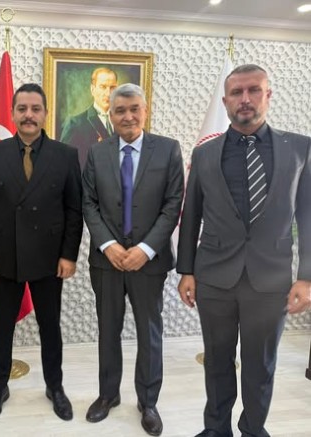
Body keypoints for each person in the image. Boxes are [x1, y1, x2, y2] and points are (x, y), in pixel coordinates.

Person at [177, 64, 311, 437]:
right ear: (225, 101)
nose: (245, 99)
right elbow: (191, 215)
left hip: (270, 281)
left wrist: (307, 277)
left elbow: (309, 215)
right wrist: (186, 270)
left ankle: (253, 430)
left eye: (254, 90)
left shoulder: (300, 148)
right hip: (214, 279)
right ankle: (216, 430)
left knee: (260, 365)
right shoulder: (205, 154)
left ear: (268, 95)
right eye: (237, 92)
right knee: (217, 362)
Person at [0, 83, 83, 422]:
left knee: (50, 326)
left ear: (45, 114)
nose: (29, 115)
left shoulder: (65, 155)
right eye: (22, 109)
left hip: (49, 258)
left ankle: (55, 386)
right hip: (5, 255)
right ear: (13, 113)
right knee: (2, 326)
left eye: (35, 109)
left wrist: (69, 255)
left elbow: (74, 209)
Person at [82, 83, 184, 436]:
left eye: (134, 109)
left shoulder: (168, 149)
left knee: (149, 332)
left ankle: (148, 401)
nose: (128, 116)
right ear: (110, 115)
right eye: (120, 111)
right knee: (108, 330)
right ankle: (108, 395)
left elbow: (173, 203)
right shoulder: (97, 153)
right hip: (106, 261)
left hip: (149, 262)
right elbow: (88, 202)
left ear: (145, 110)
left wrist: (146, 249)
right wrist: (108, 244)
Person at [60, 67, 118, 168]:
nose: (108, 93)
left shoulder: (123, 123)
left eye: (112, 87)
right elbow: (64, 165)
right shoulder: (75, 123)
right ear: (93, 89)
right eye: (103, 87)